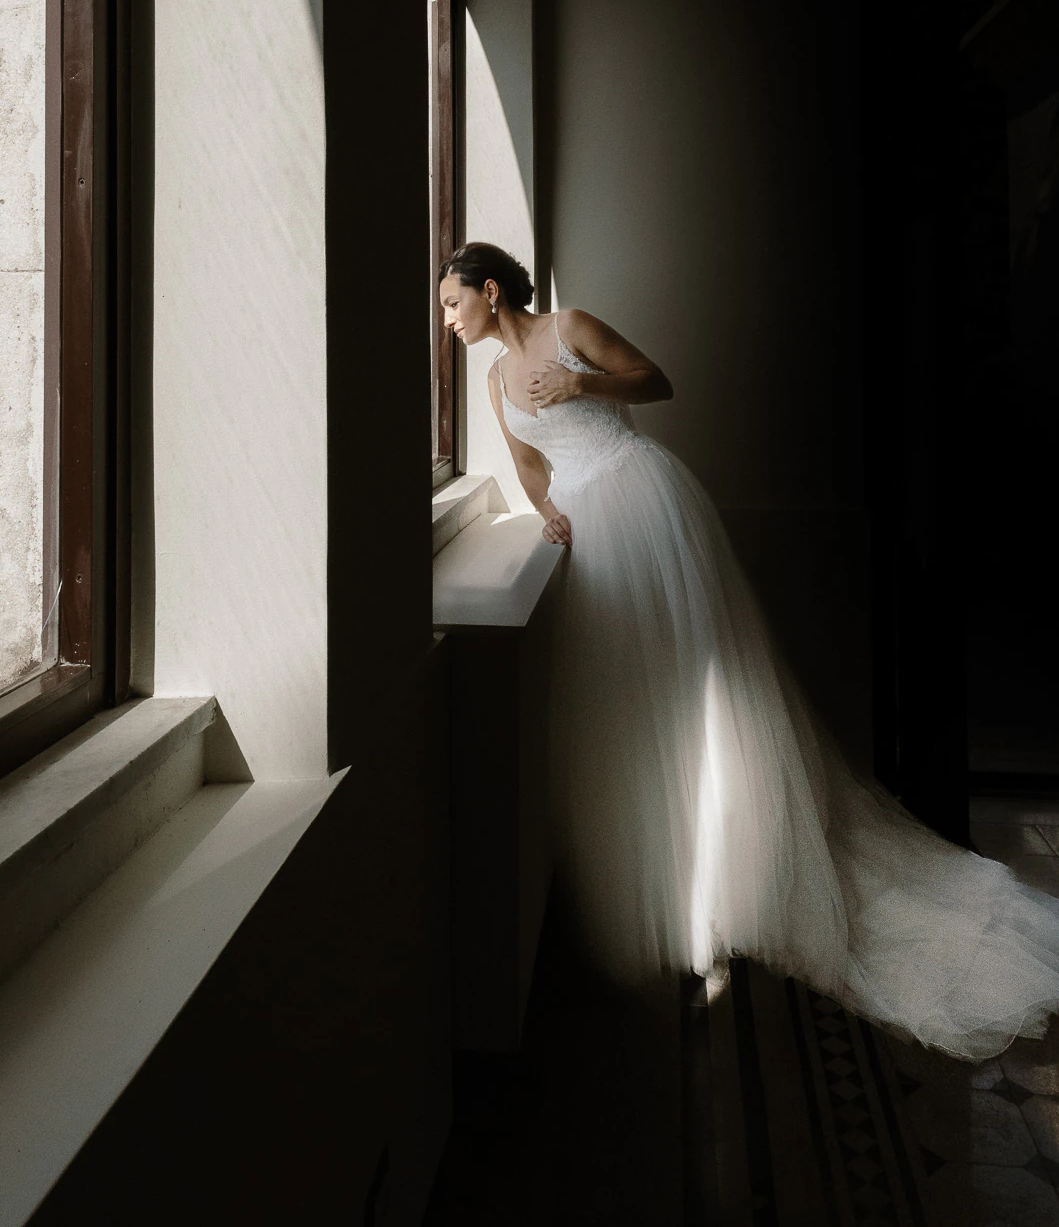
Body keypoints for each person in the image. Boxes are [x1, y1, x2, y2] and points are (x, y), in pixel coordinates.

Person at [438, 239, 1059, 1062]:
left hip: (645, 505)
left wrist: (582, 382)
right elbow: (526, 463)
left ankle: (756, 877)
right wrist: (548, 514)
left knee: (707, 691)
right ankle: (695, 889)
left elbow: (657, 380)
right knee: (635, 711)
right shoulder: (491, 382)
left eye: (452, 303)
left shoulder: (568, 327)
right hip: (592, 530)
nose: (447, 320)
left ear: (489, 291)